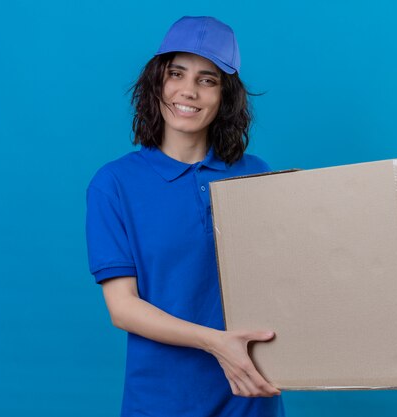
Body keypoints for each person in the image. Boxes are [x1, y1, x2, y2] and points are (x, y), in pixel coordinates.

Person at [85, 16, 285, 417]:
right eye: (177, 73)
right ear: (158, 81)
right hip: (161, 401)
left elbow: (284, 278)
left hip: (250, 394)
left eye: (207, 79)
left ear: (224, 95)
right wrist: (215, 342)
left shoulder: (257, 174)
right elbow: (122, 307)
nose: (188, 91)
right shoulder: (114, 184)